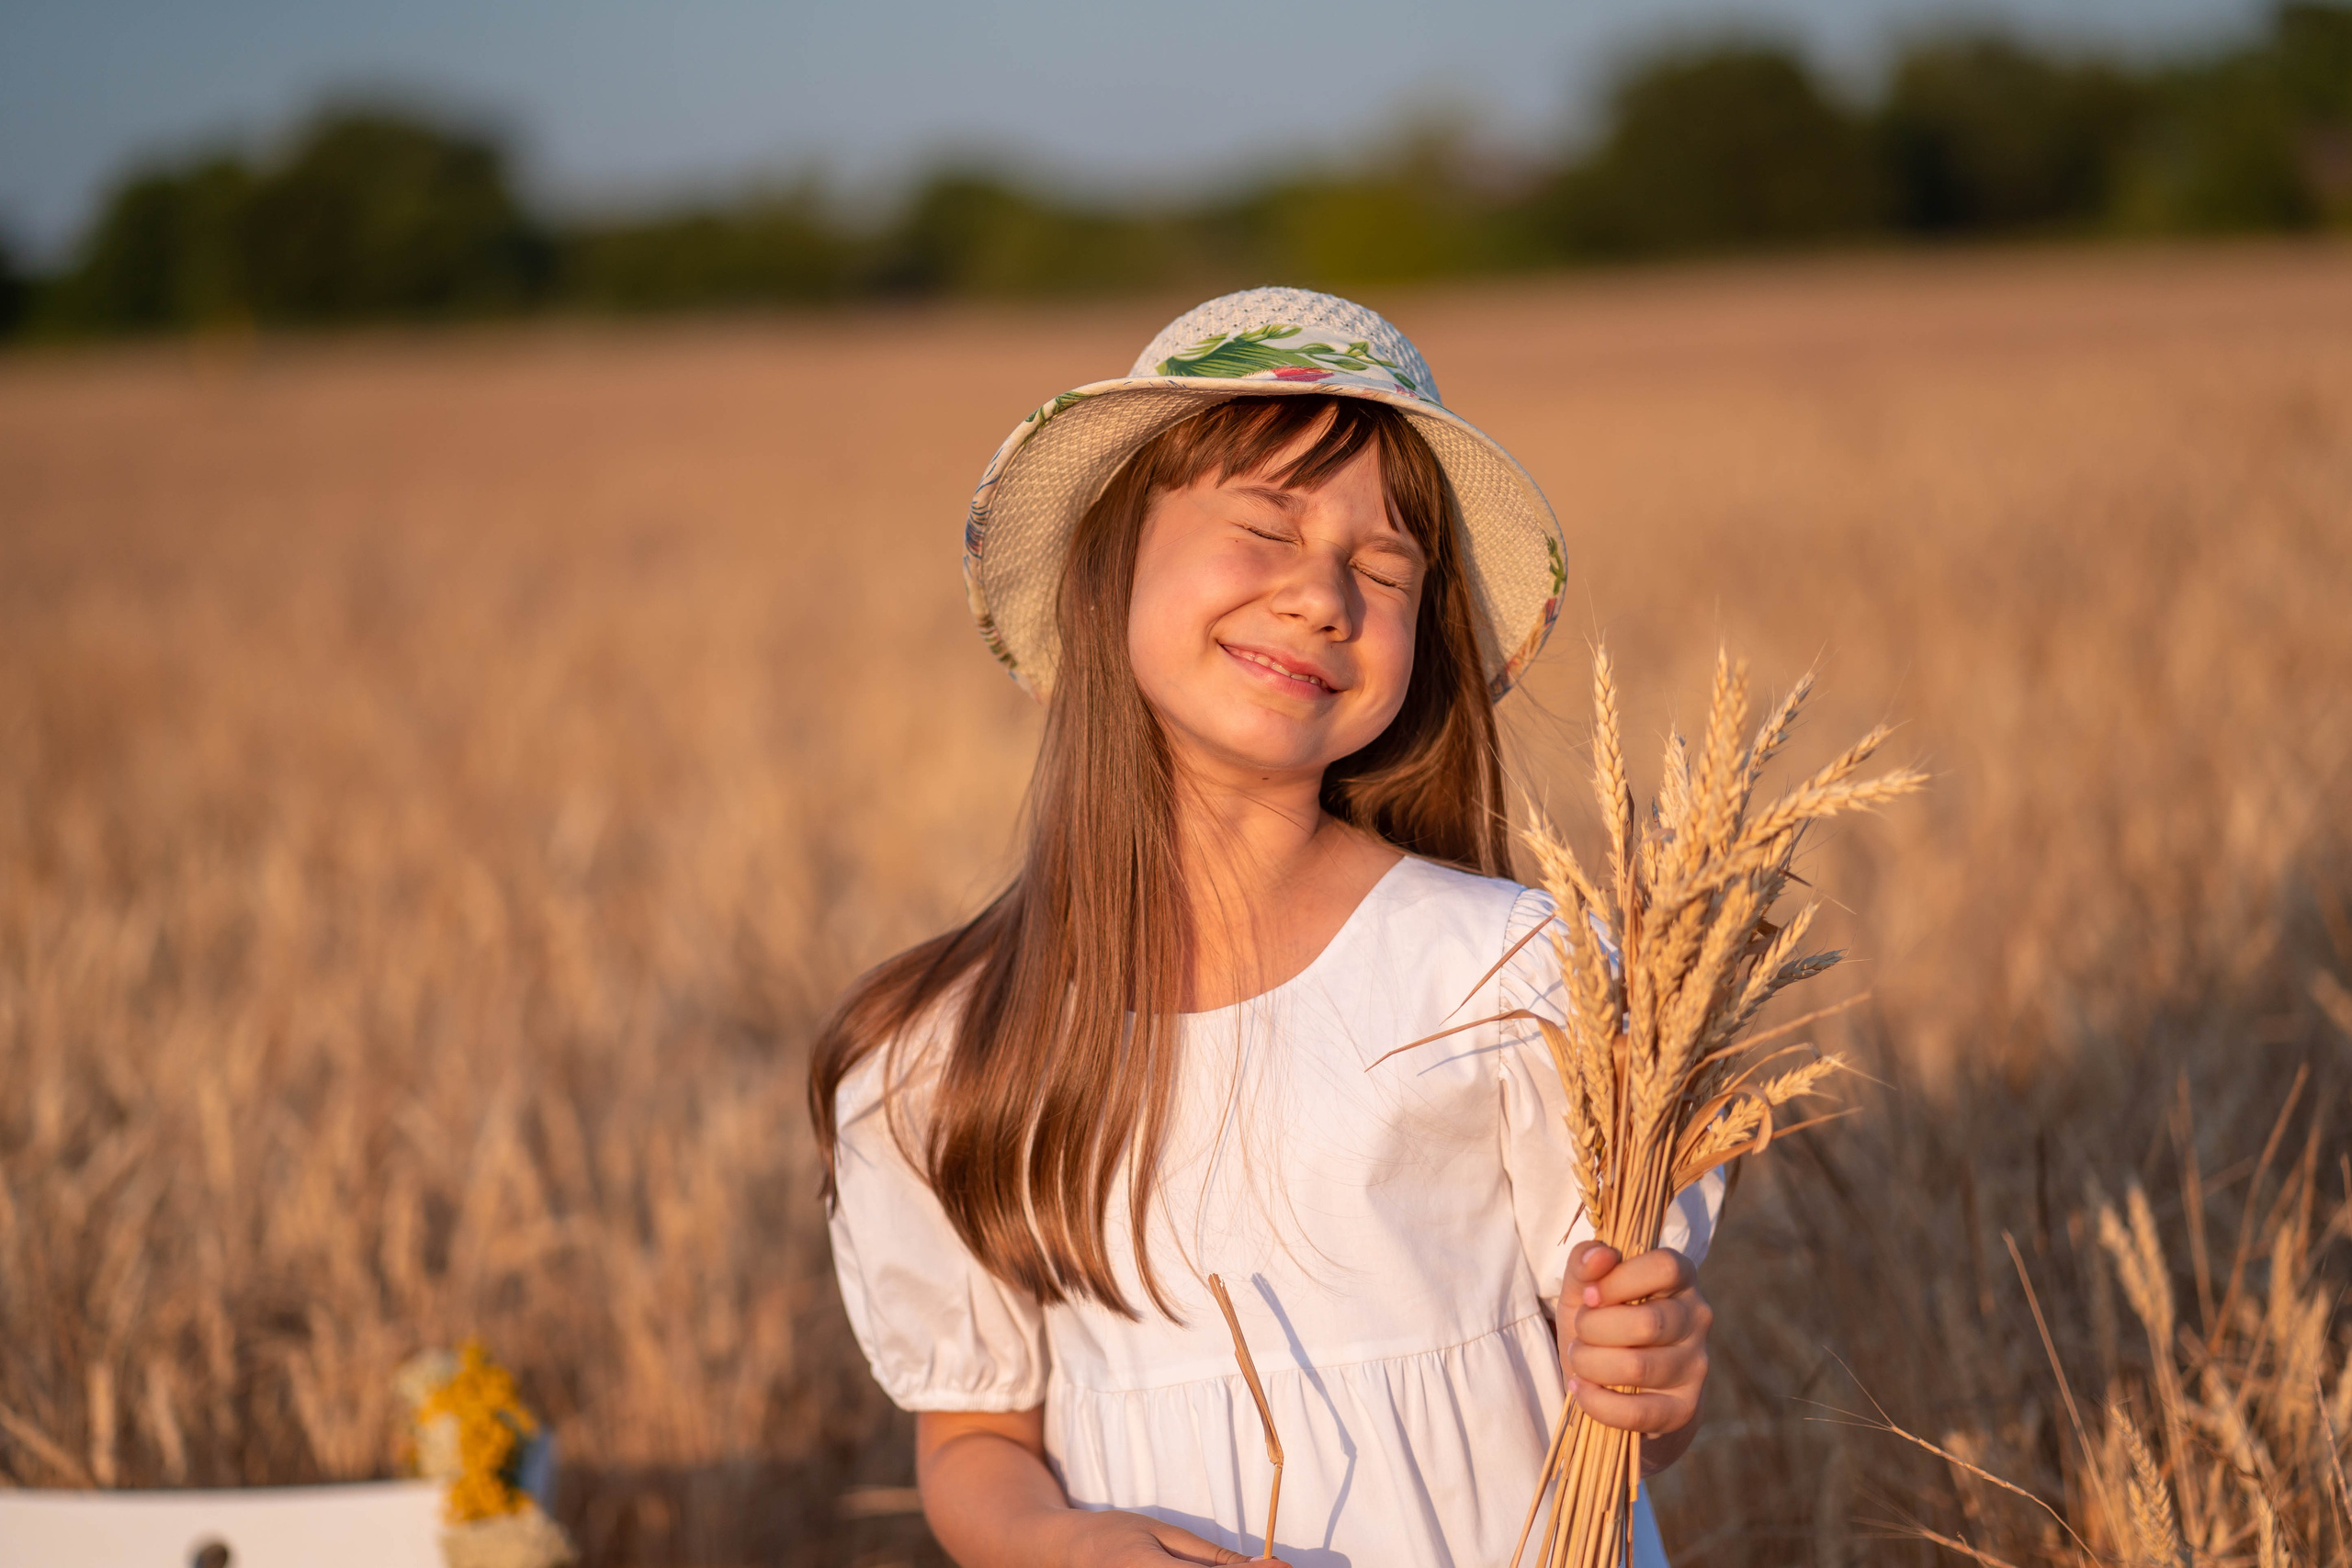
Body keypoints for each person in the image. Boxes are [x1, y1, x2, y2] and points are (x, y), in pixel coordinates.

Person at [810, 288, 1722, 1568]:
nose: (1322, 596)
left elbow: (1627, 1396)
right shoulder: (943, 1051)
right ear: (1110, 564)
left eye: (1385, 569)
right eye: (1263, 526)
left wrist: (1646, 1381)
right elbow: (973, 1441)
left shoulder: (1514, 973)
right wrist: (1065, 1549)